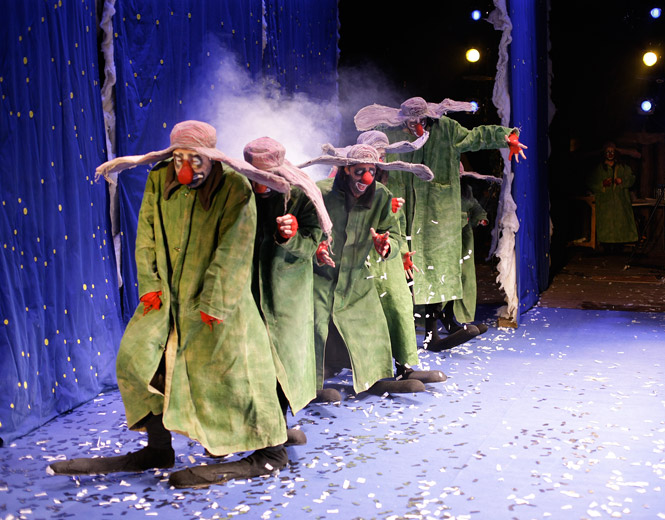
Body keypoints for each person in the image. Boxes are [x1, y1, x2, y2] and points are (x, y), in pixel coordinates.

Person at [47, 121, 293, 489]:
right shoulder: (160, 179)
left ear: (212, 159)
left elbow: (234, 248)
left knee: (236, 375)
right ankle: (158, 448)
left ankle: (270, 449)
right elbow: (146, 234)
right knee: (136, 361)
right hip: (166, 299)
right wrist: (150, 285)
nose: (185, 169)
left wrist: (215, 301)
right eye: (179, 159)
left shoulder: (235, 187)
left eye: (195, 160)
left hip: (219, 306)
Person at [354, 96, 527, 351]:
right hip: (401, 210)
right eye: (410, 123)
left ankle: (443, 321)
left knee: (440, 268)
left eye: (421, 121)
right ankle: (420, 330)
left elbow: (476, 137)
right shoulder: (389, 131)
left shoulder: (446, 129)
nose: (416, 127)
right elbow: (365, 147)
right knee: (406, 268)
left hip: (438, 211)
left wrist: (506, 137)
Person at [303, 132, 446, 384]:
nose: (367, 177)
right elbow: (305, 227)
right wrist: (315, 248)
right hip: (325, 271)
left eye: (372, 169)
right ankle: (318, 374)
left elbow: (393, 231)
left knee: (391, 307)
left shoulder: (381, 194)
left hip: (365, 268)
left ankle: (395, 369)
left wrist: (387, 246)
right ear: (346, 169)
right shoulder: (322, 192)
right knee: (318, 318)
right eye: (360, 171)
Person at [243, 137, 339, 437]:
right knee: (250, 355)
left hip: (287, 290)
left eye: (266, 176)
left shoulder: (301, 196)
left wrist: (290, 236)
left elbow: (310, 244)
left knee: (284, 356)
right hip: (246, 287)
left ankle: (279, 424)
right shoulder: (239, 191)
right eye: (254, 175)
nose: (259, 184)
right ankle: (250, 422)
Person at [440, 163, 502, 334]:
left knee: (464, 277)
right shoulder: (440, 190)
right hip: (445, 238)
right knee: (445, 277)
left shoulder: (465, 189)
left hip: (463, 239)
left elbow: (474, 206)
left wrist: (481, 217)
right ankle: (432, 316)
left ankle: (455, 317)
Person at [586, 141, 638, 251]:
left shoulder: (623, 168)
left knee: (621, 224)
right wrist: (602, 184)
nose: (610, 154)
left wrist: (622, 181)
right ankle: (606, 247)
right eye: (608, 152)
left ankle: (619, 247)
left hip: (620, 202)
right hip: (605, 203)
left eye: (612, 152)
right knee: (606, 225)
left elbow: (632, 179)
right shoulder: (599, 169)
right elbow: (590, 182)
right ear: (604, 153)